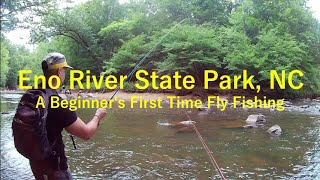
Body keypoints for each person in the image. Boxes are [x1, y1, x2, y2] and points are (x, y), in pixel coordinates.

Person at [29, 52, 107, 180]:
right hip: (55, 169)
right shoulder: (58, 103)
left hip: (35, 163)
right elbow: (86, 133)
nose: (65, 74)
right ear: (59, 72)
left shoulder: (32, 94)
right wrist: (98, 116)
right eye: (65, 71)